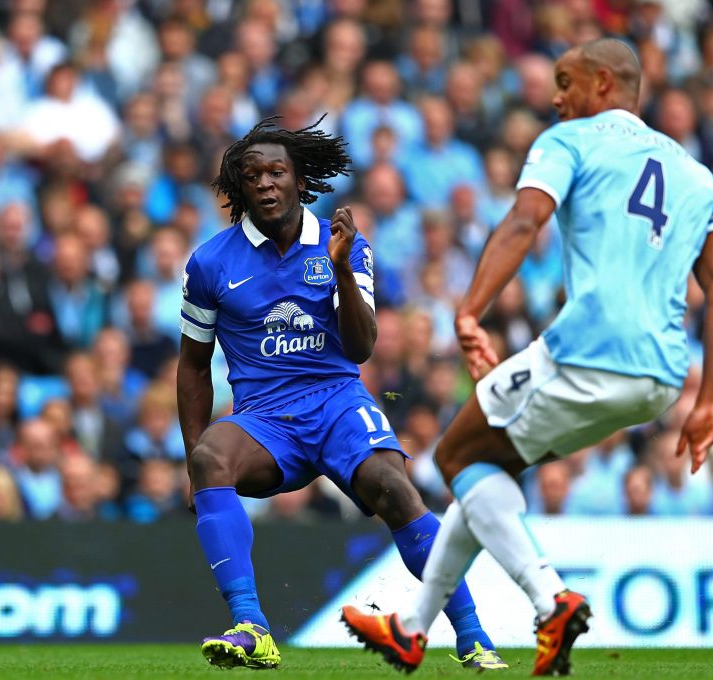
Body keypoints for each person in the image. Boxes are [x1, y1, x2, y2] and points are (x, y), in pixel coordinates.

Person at [341, 38, 713, 676]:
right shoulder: (697, 175)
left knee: (456, 455)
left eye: (565, 82)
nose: (554, 97)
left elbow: (524, 222)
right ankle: (411, 628)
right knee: (482, 467)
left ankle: (550, 600)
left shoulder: (567, 140)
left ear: (603, 84)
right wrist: (709, 398)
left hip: (587, 352)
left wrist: (468, 312)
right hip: (659, 376)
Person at [177, 117, 502, 670]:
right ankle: (251, 626)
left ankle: (473, 635)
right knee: (210, 459)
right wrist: (191, 460)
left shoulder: (344, 244)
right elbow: (192, 365)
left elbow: (361, 348)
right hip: (263, 421)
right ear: (239, 188)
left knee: (396, 492)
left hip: (337, 404)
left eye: (277, 171)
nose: (265, 183)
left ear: (300, 180)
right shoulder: (210, 263)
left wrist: (343, 271)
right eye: (252, 175)